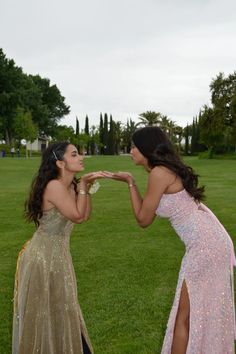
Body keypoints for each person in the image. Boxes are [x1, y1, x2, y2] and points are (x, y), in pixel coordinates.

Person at [104, 126, 236, 354]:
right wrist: (131, 182)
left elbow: (144, 219)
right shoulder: (161, 171)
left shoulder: (159, 173)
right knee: (192, 313)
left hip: (206, 244)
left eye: (134, 146)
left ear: (147, 148)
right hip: (207, 240)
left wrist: (130, 182)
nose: (131, 150)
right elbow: (146, 215)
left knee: (183, 316)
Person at [12, 142, 104, 354]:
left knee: (64, 308)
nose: (81, 157)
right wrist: (83, 187)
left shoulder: (71, 186)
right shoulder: (53, 186)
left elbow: (84, 215)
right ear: (60, 163)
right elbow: (77, 215)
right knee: (45, 312)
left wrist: (85, 188)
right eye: (74, 154)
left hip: (60, 256)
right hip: (42, 258)